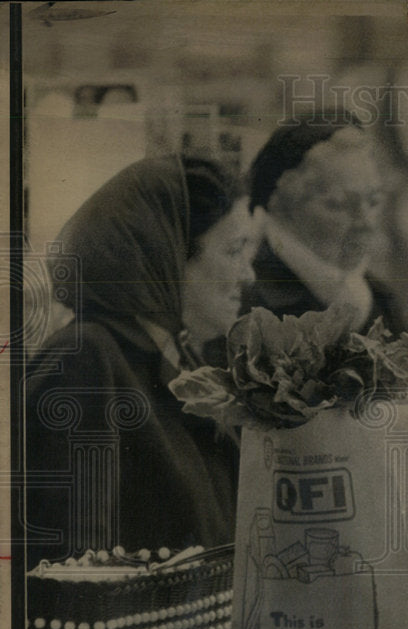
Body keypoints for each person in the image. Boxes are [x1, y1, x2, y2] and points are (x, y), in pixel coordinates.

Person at [26, 156, 255, 569]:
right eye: (235, 250)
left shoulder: (177, 356)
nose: (249, 275)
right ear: (165, 255)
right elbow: (72, 574)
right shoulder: (84, 359)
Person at [242, 113, 402, 334]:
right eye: (339, 205)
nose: (366, 222)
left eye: (373, 201)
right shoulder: (244, 302)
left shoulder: (382, 302)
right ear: (286, 208)